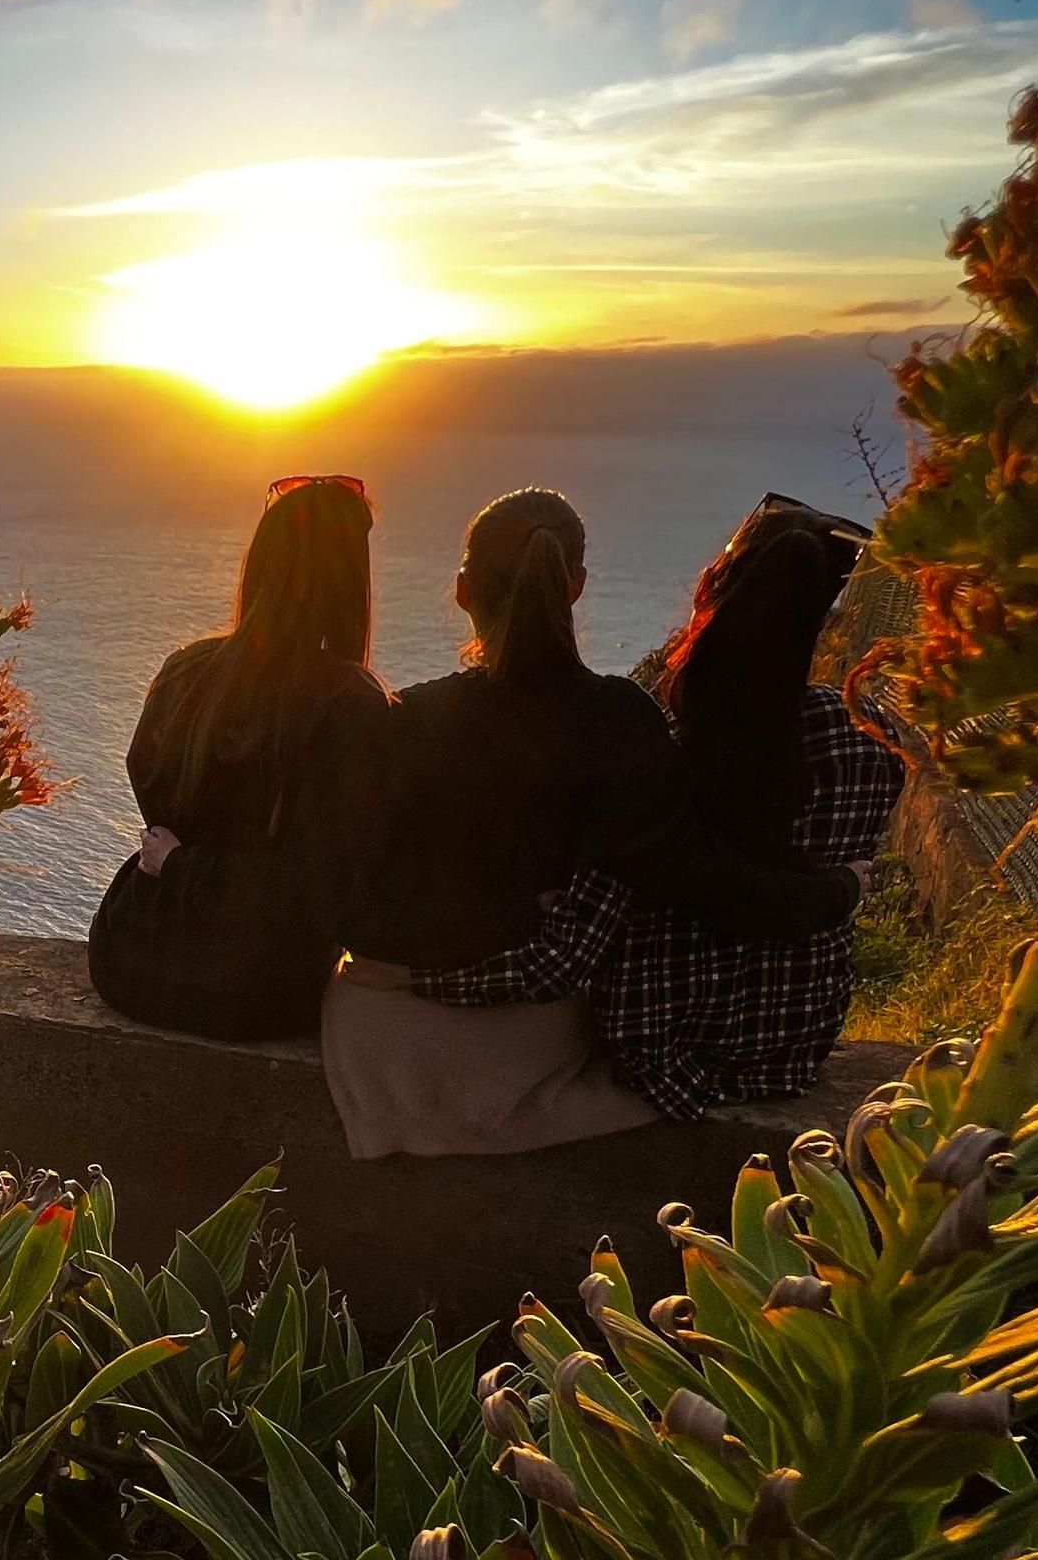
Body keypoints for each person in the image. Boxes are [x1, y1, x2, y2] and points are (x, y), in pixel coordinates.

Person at [320, 487, 861, 1159]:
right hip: (518, 1045)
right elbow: (700, 880)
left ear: (463, 590)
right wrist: (836, 892)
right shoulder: (619, 722)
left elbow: (339, 886)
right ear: (575, 586)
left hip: (370, 1042)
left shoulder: (399, 722)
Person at [89, 472, 387, 1041]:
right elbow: (323, 888)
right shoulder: (352, 702)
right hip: (256, 988)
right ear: (351, 581)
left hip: (127, 955)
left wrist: (177, 861)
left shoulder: (185, 671)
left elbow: (152, 804)